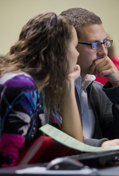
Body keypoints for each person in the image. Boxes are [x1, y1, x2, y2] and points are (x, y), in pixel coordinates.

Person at [0, 12, 83, 167]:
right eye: (74, 46)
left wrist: (68, 84)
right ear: (59, 51)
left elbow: (73, 146)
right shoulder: (21, 85)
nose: (77, 53)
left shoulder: (34, 86)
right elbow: (6, 165)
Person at [60, 8, 119, 158]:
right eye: (94, 45)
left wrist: (118, 85)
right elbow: (57, 139)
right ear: (69, 46)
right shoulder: (50, 89)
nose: (104, 52)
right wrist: (100, 146)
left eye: (105, 43)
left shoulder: (96, 90)